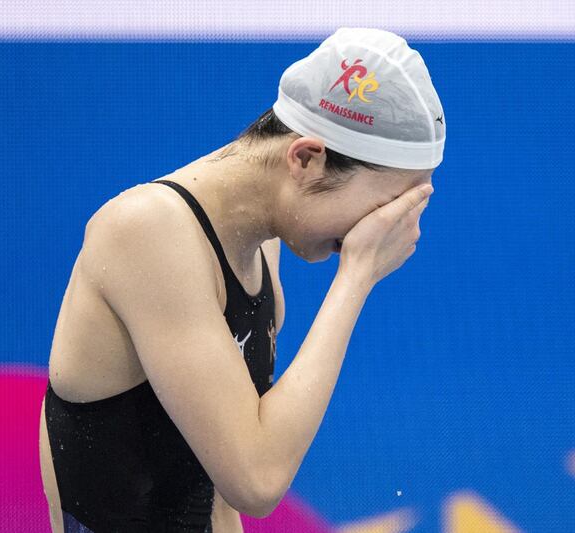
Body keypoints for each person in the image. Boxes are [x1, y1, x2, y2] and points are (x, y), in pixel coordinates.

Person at [39, 26, 445, 532]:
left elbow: (216, 498)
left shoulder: (259, 243)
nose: (390, 233)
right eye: (385, 208)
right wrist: (356, 276)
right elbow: (255, 480)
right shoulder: (147, 231)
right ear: (305, 158)